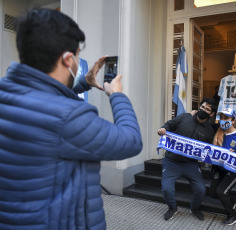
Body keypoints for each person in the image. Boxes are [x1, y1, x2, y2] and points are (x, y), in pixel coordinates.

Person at [0, 8, 142, 230]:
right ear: (68, 59)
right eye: (76, 55)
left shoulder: (8, 95)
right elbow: (131, 141)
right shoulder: (68, 116)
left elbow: (44, 98)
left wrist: (84, 82)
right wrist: (117, 95)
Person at [157, 98, 217, 221]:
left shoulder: (209, 130)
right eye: (202, 107)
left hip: (191, 165)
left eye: (207, 109)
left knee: (200, 189)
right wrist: (162, 129)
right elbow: (169, 124)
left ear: (211, 114)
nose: (203, 110)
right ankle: (172, 208)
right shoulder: (184, 117)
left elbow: (209, 149)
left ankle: (194, 208)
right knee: (166, 188)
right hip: (171, 161)